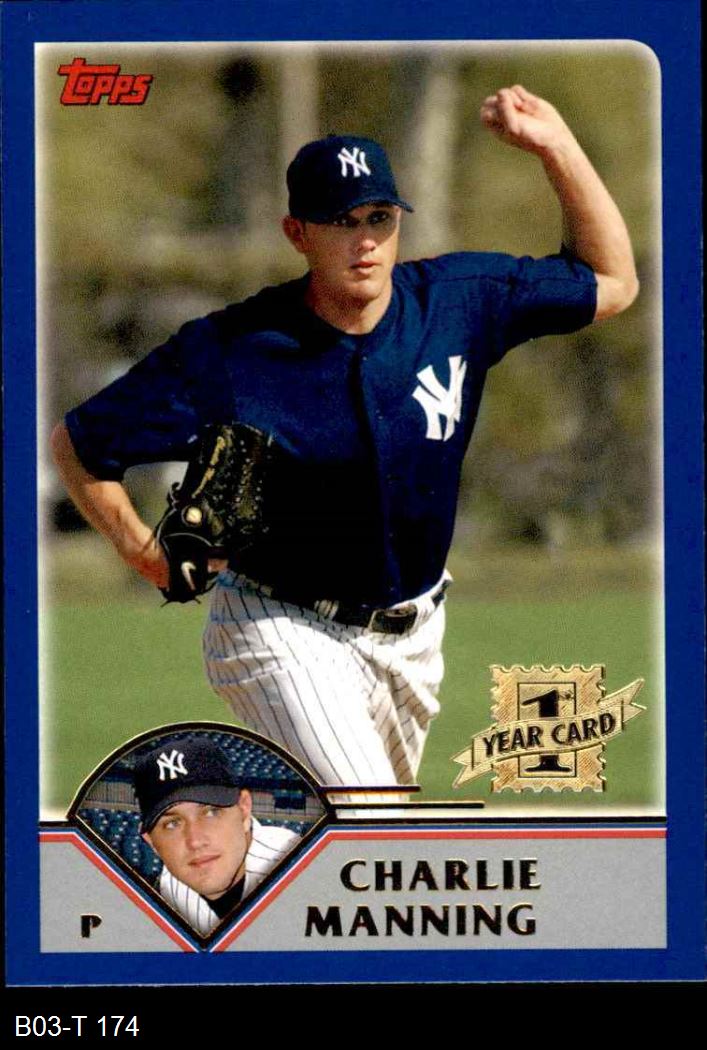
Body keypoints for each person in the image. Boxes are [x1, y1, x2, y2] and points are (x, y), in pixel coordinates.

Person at [51, 85, 638, 791]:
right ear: (297, 233)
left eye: (378, 218)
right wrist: (144, 553)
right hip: (279, 625)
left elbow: (611, 281)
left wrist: (556, 146)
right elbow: (80, 443)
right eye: (339, 221)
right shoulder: (232, 351)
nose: (364, 241)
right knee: (370, 819)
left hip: (415, 637)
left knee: (364, 848)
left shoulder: (458, 302)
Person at [134, 736, 301, 936]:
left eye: (211, 812)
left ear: (244, 810)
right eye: (172, 824)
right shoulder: (162, 897)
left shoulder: (298, 862)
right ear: (151, 842)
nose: (195, 841)